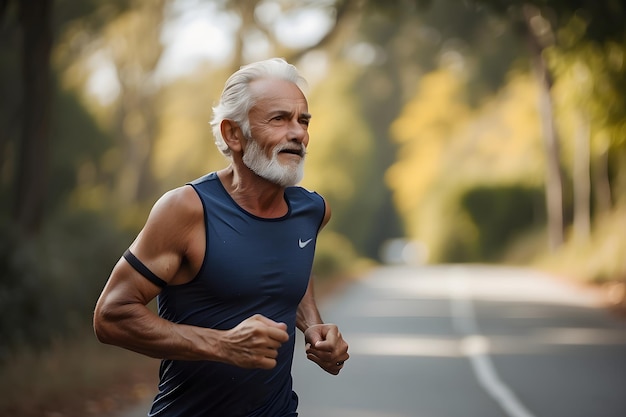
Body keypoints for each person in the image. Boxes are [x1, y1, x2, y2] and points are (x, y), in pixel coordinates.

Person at [93, 57, 349, 417]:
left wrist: (314, 326)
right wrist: (223, 345)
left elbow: (292, 265)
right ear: (234, 134)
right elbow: (111, 316)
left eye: (303, 121)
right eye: (279, 118)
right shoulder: (186, 209)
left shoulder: (312, 211)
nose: (298, 134)